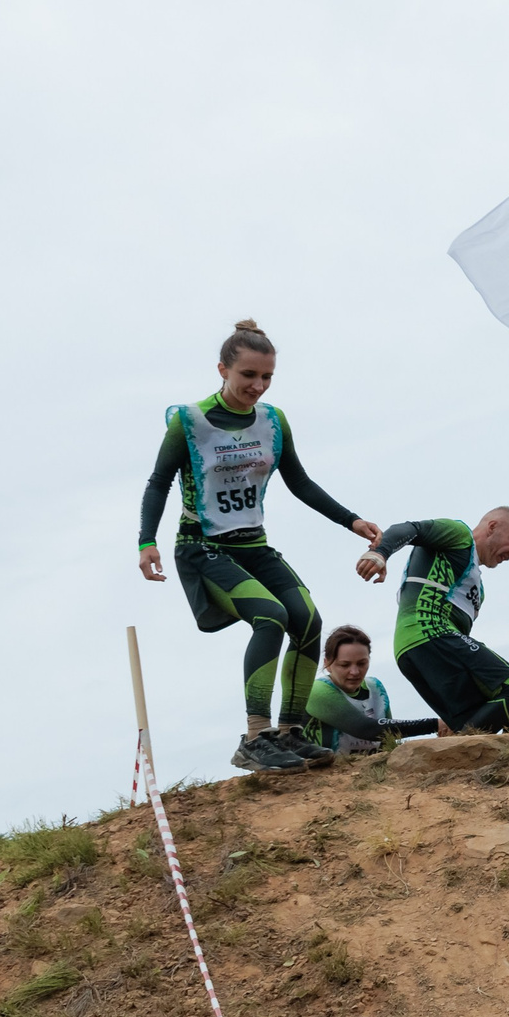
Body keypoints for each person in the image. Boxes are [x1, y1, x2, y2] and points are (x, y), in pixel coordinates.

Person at [139, 319, 382, 774]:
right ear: (222, 370)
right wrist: (146, 541)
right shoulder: (188, 422)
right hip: (203, 546)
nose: (258, 385)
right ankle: (256, 736)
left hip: (254, 545)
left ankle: (291, 732)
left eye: (267, 377)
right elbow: (158, 483)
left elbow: (300, 483)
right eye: (248, 375)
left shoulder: (273, 421)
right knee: (270, 616)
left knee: (308, 619)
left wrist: (352, 521)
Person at [355, 509, 509, 734]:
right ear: (492, 527)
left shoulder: (477, 588)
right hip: (429, 632)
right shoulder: (459, 535)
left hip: (416, 653)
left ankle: (478, 758)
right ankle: (465, 745)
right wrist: (380, 553)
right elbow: (410, 528)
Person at [305, 626, 442, 755]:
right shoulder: (317, 690)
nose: (354, 672)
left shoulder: (375, 687)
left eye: (362, 663)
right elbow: (366, 728)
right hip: (327, 776)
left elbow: (389, 739)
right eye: (344, 665)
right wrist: (436, 724)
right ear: (327, 664)